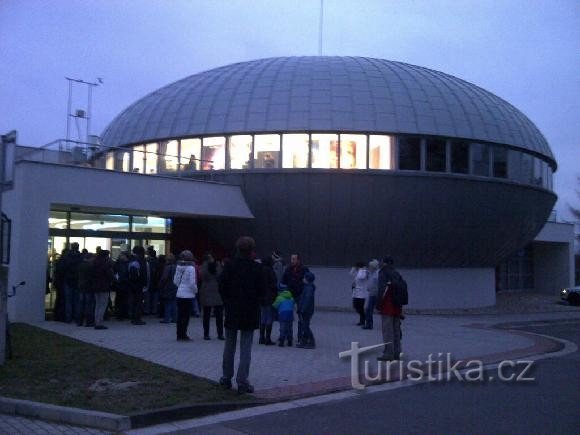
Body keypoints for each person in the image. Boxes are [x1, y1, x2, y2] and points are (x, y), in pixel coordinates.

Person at [218, 236, 264, 394]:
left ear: (237, 249)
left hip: (232, 310)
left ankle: (226, 378)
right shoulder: (257, 268)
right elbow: (261, 290)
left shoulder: (229, 266)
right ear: (252, 250)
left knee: (229, 345)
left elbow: (222, 286)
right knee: (246, 348)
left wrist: (227, 302)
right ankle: (242, 381)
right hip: (249, 311)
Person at [376, 256, 403, 361]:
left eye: (381, 261)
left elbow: (381, 289)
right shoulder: (396, 273)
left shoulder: (383, 272)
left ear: (384, 263)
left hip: (387, 306)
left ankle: (388, 354)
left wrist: (378, 304)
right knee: (396, 330)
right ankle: (397, 352)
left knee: (387, 331)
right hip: (397, 306)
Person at [173, 250, 198, 341]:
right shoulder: (191, 268)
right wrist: (195, 290)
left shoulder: (178, 267)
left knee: (180, 316)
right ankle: (184, 335)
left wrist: (180, 286)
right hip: (188, 295)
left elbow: (175, 281)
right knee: (186, 316)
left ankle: (179, 334)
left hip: (179, 293)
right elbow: (192, 283)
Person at [199, 253, 224, 340]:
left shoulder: (204, 267)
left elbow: (202, 275)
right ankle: (220, 334)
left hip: (206, 291)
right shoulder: (217, 266)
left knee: (206, 315)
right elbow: (220, 275)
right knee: (219, 315)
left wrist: (206, 264)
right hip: (217, 291)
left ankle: (206, 334)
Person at [92, 249, 114, 330]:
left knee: (97, 305)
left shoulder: (94, 263)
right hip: (104, 287)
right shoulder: (105, 264)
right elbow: (110, 275)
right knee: (103, 305)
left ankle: (96, 321)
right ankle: (99, 322)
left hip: (95, 287)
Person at [259, 257, 277, 345]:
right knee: (269, 316)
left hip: (261, 296)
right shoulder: (271, 271)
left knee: (263, 316)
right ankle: (267, 338)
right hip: (270, 296)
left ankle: (261, 337)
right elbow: (274, 284)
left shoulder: (260, 270)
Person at [63, 242, 83, 323]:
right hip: (77, 281)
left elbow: (64, 268)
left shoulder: (67, 257)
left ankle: (68, 318)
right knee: (77, 301)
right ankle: (77, 318)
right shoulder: (80, 257)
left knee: (68, 301)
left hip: (68, 281)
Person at [128, 246, 147, 325]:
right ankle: (137, 318)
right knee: (138, 302)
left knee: (134, 301)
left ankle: (133, 317)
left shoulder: (132, 260)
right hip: (138, 285)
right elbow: (140, 274)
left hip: (132, 284)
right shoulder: (140, 261)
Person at [296, 271, 316, 349]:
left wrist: (302, 309)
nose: (303, 279)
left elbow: (307, 300)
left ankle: (311, 342)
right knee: (304, 326)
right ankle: (304, 341)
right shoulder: (307, 287)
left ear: (307, 279)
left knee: (305, 326)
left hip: (306, 311)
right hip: (305, 310)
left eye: (304, 277)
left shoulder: (309, 288)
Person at [273, 282, 294, 347]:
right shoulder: (291, 297)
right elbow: (293, 304)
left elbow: (275, 305)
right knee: (289, 328)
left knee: (282, 328)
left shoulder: (279, 298)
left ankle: (282, 341)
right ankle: (290, 341)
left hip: (282, 314)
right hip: (290, 314)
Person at [77, 252, 95, 327]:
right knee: (88, 305)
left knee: (81, 304)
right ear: (90, 258)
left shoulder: (80, 265)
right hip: (88, 287)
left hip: (81, 286)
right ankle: (88, 321)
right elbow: (92, 277)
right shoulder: (90, 266)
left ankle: (79, 321)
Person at [158, 254, 178, 323]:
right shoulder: (176, 267)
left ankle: (167, 318)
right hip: (175, 286)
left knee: (167, 303)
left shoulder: (167, 267)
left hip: (168, 286)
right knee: (174, 302)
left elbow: (164, 278)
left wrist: (160, 285)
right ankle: (175, 318)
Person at [350, 261, 369, 326]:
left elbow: (361, 277)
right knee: (356, 306)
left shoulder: (364, 272)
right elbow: (351, 274)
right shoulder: (358, 272)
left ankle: (363, 320)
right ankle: (363, 319)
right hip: (356, 292)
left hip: (361, 293)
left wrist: (361, 269)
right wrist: (354, 268)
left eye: (357, 267)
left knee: (360, 307)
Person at [363, 259, 380, 330]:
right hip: (372, 293)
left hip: (375, 294)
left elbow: (377, 284)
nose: (369, 267)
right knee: (368, 309)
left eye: (370, 266)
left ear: (373, 267)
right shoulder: (372, 273)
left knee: (369, 309)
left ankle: (369, 325)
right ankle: (369, 324)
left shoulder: (377, 274)